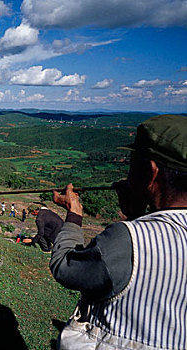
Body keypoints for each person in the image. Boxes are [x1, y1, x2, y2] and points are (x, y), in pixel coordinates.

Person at [50, 115, 187, 349]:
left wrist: (74, 213)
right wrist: (138, 212)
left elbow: (64, 267)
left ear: (150, 171)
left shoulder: (126, 239)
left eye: (132, 162)